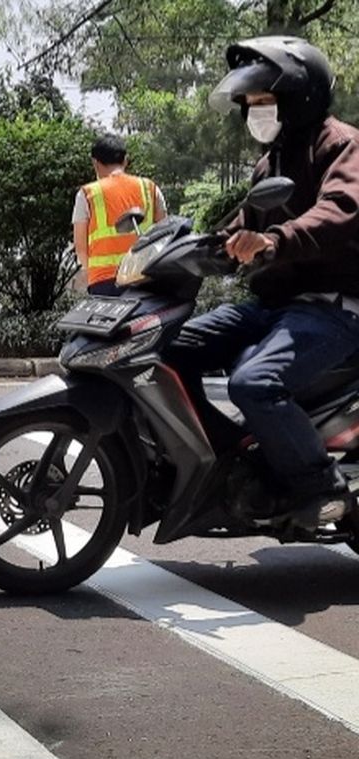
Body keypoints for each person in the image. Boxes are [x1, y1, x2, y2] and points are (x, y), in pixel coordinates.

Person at [164, 36, 359, 528]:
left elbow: (338, 214)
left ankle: (321, 486)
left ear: (299, 99)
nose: (256, 113)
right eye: (250, 105)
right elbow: (240, 224)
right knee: (167, 348)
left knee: (254, 382)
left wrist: (273, 241)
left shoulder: (343, 145)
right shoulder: (268, 162)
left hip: (333, 309)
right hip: (275, 306)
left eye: (265, 101)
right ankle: (225, 460)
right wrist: (189, 250)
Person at [72, 134, 167, 296]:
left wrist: (92, 272)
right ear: (125, 160)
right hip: (145, 277)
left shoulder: (87, 194)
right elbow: (165, 234)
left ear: (95, 163)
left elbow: (81, 249)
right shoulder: (150, 188)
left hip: (104, 282)